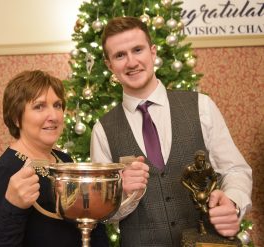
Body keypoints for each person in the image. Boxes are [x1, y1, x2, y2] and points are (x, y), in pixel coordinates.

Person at [90, 16, 252, 246]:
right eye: (119, 55)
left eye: (138, 50)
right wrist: (121, 194)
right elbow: (102, 214)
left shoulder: (201, 106)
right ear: (109, 65)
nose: (131, 62)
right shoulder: (102, 130)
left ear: (153, 52)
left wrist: (232, 202)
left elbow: (235, 169)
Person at [0, 70, 108, 247]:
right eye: (39, 106)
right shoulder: (6, 171)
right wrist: (13, 206)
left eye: (57, 105)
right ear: (16, 118)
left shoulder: (64, 160)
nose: (54, 116)